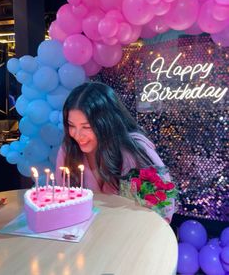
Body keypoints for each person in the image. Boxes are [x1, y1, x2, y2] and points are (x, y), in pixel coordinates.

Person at [55, 81, 175, 222]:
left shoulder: (133, 150)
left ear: (107, 123)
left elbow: (163, 210)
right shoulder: (68, 150)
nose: (77, 134)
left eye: (86, 127)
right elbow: (64, 197)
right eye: (71, 125)